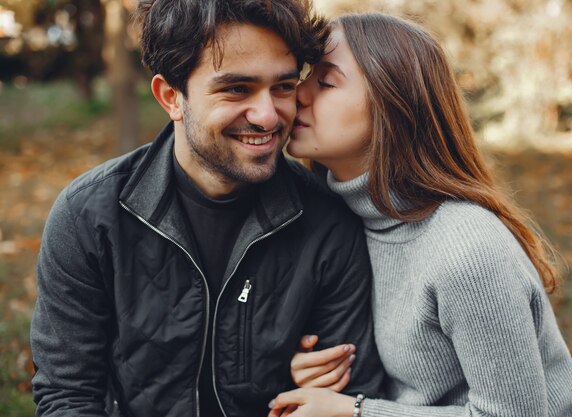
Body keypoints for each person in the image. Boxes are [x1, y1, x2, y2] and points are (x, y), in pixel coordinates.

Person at [29, 2, 385, 416]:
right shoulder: (88, 217)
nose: (268, 115)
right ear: (171, 97)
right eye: (237, 89)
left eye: (284, 87)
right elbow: (68, 396)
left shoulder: (327, 222)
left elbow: (349, 396)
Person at [268, 12, 572, 417]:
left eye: (327, 81)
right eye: (306, 75)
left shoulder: (467, 251)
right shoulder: (346, 224)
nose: (298, 93)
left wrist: (354, 412)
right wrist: (320, 372)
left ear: (394, 106)